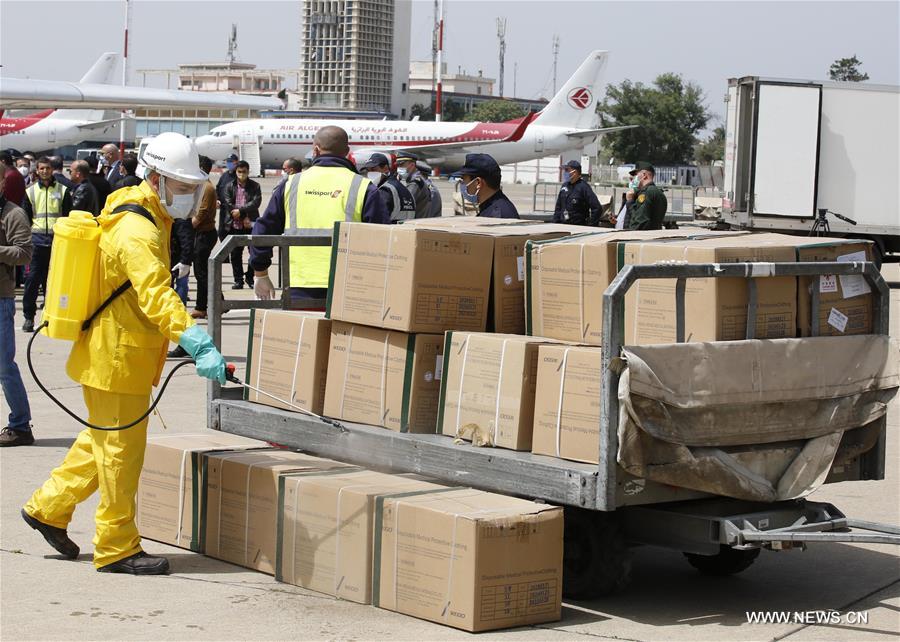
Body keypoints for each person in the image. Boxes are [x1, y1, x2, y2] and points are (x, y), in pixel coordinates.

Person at [22, 132, 227, 575]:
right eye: (182, 186)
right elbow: (155, 293)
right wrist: (195, 338)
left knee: (102, 441)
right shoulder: (138, 229)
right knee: (121, 453)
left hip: (114, 352)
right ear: (155, 178)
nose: (189, 195)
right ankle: (117, 547)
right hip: (117, 357)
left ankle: (47, 507)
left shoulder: (141, 211)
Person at [251, 125, 389, 305]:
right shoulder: (363, 187)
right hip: (349, 286)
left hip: (298, 284)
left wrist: (260, 272)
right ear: (347, 152)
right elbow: (382, 240)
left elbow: (263, 230)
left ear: (315, 149)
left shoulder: (291, 184)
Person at [0, 169, 34, 447]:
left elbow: (24, 252)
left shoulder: (13, 214)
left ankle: (21, 426)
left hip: (1, 299)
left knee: (3, 366)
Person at [21, 156, 72, 332]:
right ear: (37, 170)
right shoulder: (30, 191)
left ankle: (49, 316)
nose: (44, 171)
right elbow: (25, 218)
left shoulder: (63, 190)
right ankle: (29, 317)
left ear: (52, 169)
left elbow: (68, 217)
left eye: (47, 168)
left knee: (52, 282)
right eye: (41, 168)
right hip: (36, 243)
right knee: (32, 281)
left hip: (57, 243)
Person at [220, 160, 260, 289]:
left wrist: (241, 212)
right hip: (234, 223)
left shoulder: (255, 186)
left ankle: (250, 277)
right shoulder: (229, 186)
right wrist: (242, 216)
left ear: (248, 172)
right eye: (239, 172)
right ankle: (238, 280)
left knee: (253, 252)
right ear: (236, 172)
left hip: (250, 224)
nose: (241, 174)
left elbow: (255, 203)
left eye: (244, 172)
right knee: (235, 254)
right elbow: (227, 203)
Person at [189, 156, 218, 320]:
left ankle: (202, 307)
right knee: (203, 272)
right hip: (200, 234)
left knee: (201, 273)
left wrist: (187, 229)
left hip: (204, 234)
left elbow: (201, 213)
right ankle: (218, 300)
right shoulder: (200, 186)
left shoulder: (206, 188)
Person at [457, 153, 519, 219]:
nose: (462, 183)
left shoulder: (495, 216)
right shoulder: (492, 207)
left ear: (478, 183)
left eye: (463, 179)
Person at [362, 153, 415, 222]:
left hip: (391, 231)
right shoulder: (404, 189)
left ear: (386, 168)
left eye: (373, 169)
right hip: (406, 230)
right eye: (368, 170)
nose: (370, 173)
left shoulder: (385, 190)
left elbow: (376, 219)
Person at [553, 160, 601, 226]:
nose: (565, 172)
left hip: (578, 227)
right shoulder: (564, 186)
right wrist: (556, 223)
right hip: (563, 225)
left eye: (567, 170)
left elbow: (597, 208)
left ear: (575, 172)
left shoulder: (584, 187)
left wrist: (590, 225)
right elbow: (558, 208)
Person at [624, 161, 668, 231]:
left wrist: (630, 202)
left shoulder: (646, 193)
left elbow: (639, 222)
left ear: (644, 175)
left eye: (636, 175)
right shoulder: (659, 193)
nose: (634, 178)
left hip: (641, 238)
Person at [395, 151, 432, 218]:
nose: (399, 168)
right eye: (398, 166)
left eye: (401, 165)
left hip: (415, 222)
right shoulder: (412, 180)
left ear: (412, 165)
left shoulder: (415, 183)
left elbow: (404, 203)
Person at [216, 153, 239, 243]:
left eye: (231, 162)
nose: (229, 164)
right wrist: (217, 199)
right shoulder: (224, 176)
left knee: (233, 236)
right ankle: (224, 257)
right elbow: (218, 188)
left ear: (236, 162)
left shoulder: (239, 176)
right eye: (228, 162)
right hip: (223, 210)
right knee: (222, 233)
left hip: (234, 211)